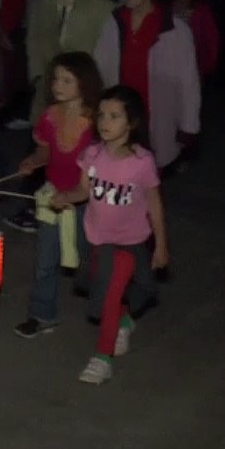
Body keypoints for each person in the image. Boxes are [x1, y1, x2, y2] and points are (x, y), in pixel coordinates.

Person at [53, 85, 169, 384]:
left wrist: (161, 245)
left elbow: (154, 204)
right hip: (99, 241)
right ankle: (120, 326)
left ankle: (105, 352)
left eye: (114, 116)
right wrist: (65, 196)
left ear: (132, 123)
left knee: (120, 294)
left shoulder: (141, 162)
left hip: (131, 243)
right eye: (102, 115)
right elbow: (83, 190)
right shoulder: (92, 154)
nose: (105, 122)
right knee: (105, 292)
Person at [11, 52, 101, 335]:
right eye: (55, 79)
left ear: (84, 83)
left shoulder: (98, 123)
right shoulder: (50, 117)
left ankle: (113, 307)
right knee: (44, 260)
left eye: (67, 80)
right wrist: (32, 162)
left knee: (91, 260)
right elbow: (45, 153)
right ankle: (42, 314)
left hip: (88, 202)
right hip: (53, 197)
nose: (57, 86)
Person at [94, 0, 201, 171]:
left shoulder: (175, 30)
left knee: (149, 173)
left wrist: (188, 126)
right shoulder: (114, 23)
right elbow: (100, 67)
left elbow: (188, 82)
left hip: (157, 115)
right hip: (119, 116)